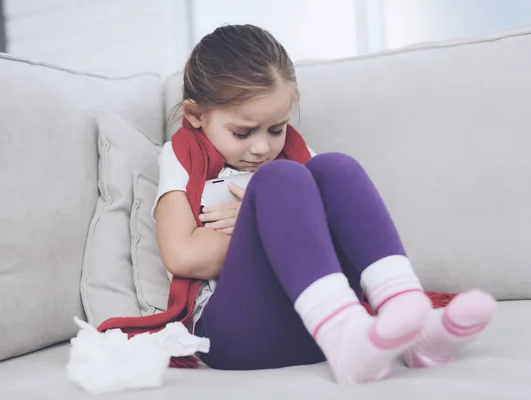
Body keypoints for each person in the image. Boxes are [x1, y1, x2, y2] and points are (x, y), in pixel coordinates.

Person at [152, 24, 496, 384]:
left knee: (335, 167)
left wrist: (278, 224)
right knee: (281, 179)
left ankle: (412, 323)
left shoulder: (293, 158)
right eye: (242, 132)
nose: (262, 148)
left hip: (309, 327)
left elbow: (338, 233)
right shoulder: (181, 156)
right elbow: (181, 255)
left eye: (276, 129)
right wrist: (264, 225)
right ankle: (343, 336)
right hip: (236, 336)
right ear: (195, 115)